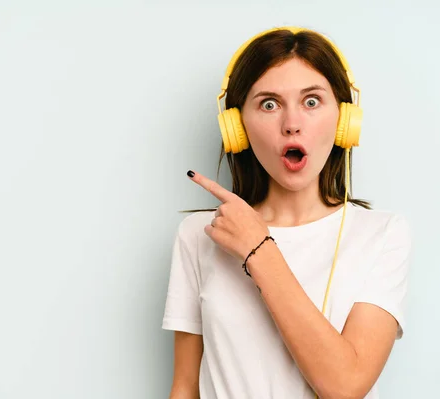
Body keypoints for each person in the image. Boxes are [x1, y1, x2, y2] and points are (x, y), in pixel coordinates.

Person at [161, 26, 412, 399]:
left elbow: (345, 386)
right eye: (269, 104)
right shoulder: (200, 234)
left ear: (345, 120)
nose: (292, 123)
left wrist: (258, 248)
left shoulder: (382, 233)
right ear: (237, 128)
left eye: (311, 102)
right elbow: (184, 387)